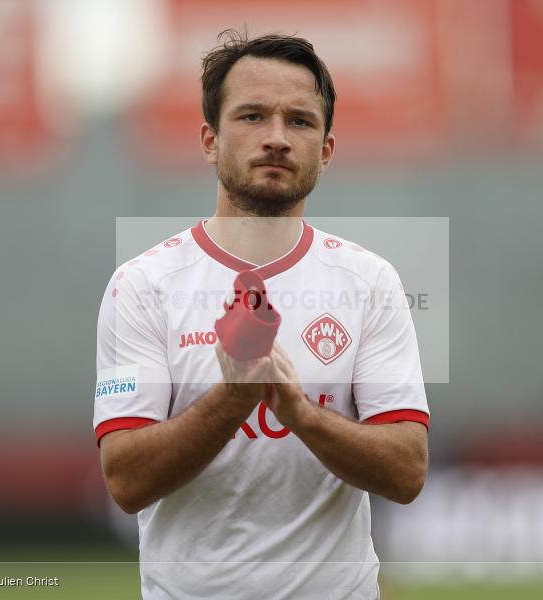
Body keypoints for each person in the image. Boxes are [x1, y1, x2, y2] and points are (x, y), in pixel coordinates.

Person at [94, 30, 429, 600]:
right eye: (252, 117)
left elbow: (407, 471)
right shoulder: (144, 285)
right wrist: (233, 397)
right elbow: (125, 480)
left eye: (299, 121)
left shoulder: (370, 283)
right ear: (209, 140)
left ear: (325, 150)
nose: (276, 138)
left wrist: (296, 409)